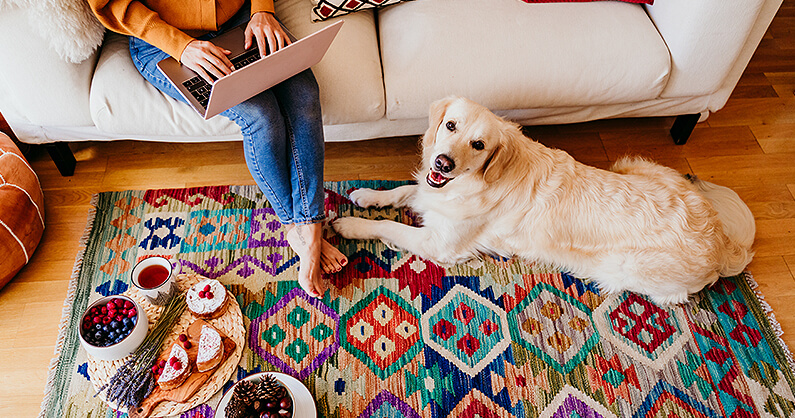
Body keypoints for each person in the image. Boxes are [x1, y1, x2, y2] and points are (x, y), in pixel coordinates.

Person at [88, 0, 347, 297]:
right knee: (261, 115)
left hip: (239, 18)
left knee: (303, 95)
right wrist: (182, 46)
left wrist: (262, 9)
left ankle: (307, 230)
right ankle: (301, 228)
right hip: (163, 40)